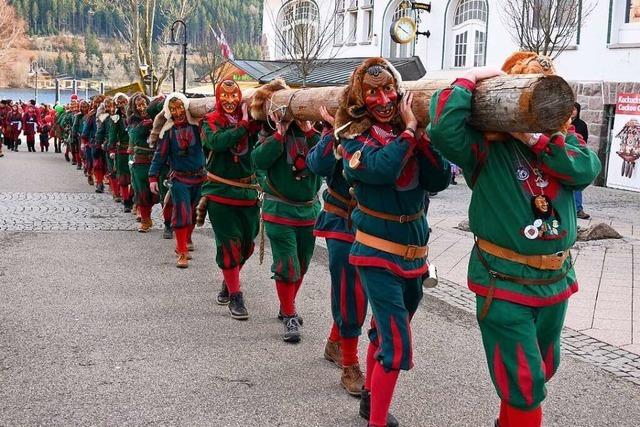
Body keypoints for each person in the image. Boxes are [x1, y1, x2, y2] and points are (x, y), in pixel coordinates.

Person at [427, 53, 602, 427]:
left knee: (542, 368)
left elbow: (586, 169)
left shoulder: (563, 143)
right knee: (524, 381)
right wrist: (470, 78)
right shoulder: (487, 148)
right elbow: (443, 129)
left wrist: (538, 139)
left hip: (555, 282)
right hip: (503, 281)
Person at [337, 57, 451, 427]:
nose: (384, 99)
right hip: (375, 254)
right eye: (373, 92)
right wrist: (408, 134)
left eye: (389, 90)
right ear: (359, 98)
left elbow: (439, 180)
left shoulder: (410, 136)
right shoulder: (353, 141)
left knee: (382, 331)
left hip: (414, 257)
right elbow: (383, 169)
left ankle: (371, 400)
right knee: (396, 343)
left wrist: (421, 137)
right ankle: (377, 422)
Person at [251, 80, 322, 343]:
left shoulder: (313, 134)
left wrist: (311, 131)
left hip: (308, 211)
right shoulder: (268, 133)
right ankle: (290, 314)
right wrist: (279, 134)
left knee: (302, 263)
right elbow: (258, 160)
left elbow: (324, 160)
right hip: (279, 210)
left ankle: (286, 305)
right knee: (287, 264)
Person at [306, 105, 367, 396]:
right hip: (341, 218)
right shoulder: (335, 129)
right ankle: (350, 364)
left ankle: (335, 341)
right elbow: (316, 165)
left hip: (373, 224)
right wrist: (333, 132)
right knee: (349, 289)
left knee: (362, 291)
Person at [200, 79, 262, 320]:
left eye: (234, 95)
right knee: (229, 244)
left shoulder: (251, 122)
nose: (229, 100)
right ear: (217, 97)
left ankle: (229, 280)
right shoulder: (210, 121)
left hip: (247, 193)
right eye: (224, 96)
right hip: (220, 192)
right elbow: (218, 142)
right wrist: (244, 125)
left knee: (247, 245)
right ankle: (236, 295)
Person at [149, 93, 205, 268]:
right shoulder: (168, 132)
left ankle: (187, 238)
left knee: (195, 212)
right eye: (173, 109)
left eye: (180, 107)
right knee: (182, 213)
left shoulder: (198, 127)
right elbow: (159, 155)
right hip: (179, 179)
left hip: (200, 177)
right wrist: (152, 177)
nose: (178, 111)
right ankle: (181, 251)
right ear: (169, 111)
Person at [128, 93, 165, 232]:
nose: (142, 107)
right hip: (141, 159)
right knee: (142, 191)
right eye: (139, 105)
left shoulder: (156, 117)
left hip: (157, 158)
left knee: (161, 190)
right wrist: (147, 125)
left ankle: (168, 221)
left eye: (144, 104)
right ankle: (145, 220)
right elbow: (135, 134)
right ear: (135, 107)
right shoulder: (133, 120)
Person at [108, 94, 133, 211]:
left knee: (135, 177)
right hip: (122, 150)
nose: (123, 105)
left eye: (124, 102)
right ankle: (126, 200)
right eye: (120, 103)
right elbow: (112, 134)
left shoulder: (134, 115)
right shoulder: (115, 118)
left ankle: (134, 199)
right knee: (123, 177)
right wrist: (111, 148)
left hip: (135, 150)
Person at [571, 102, 591, 219]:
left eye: (574, 110)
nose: (572, 112)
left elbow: (584, 141)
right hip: (564, 155)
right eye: (570, 109)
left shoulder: (581, 125)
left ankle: (578, 209)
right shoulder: (561, 122)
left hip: (577, 156)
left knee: (577, 183)